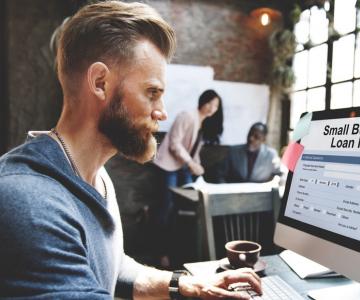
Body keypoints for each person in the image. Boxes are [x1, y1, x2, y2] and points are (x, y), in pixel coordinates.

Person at [0, 1, 261, 299]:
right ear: (100, 83)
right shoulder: (29, 202)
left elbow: (115, 267)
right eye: (152, 93)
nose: (161, 112)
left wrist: (187, 285)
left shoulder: (96, 176)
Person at [153, 90, 222, 230]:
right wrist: (191, 163)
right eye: (209, 103)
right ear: (202, 101)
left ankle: (178, 241)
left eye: (215, 106)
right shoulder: (188, 116)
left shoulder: (203, 123)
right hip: (168, 165)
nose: (211, 108)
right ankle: (158, 247)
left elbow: (193, 150)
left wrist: (198, 165)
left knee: (189, 202)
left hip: (182, 166)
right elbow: (174, 143)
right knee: (167, 205)